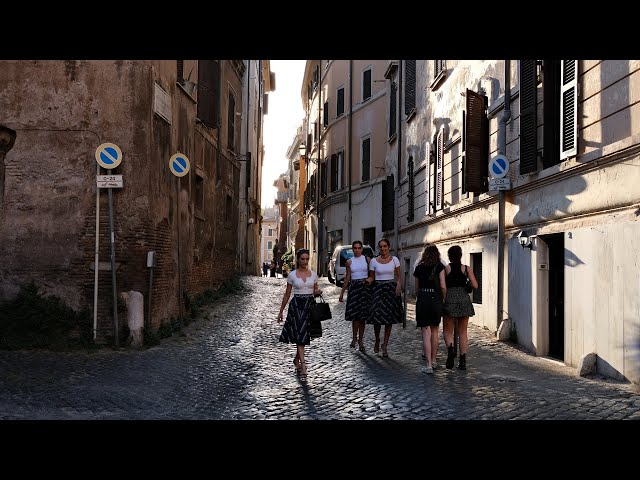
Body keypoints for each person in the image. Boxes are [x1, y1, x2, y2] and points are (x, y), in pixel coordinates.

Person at [277, 248, 322, 382]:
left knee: (304, 334)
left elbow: (315, 291)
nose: (305, 261)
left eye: (307, 259)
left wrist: (318, 291)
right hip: (296, 306)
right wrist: (281, 311)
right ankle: (303, 366)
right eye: (302, 259)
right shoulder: (292, 275)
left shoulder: (313, 275)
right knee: (300, 335)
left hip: (309, 306)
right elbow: (287, 294)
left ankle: (297, 359)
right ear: (298, 259)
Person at [365, 238, 403, 357]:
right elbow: (372, 277)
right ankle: (377, 340)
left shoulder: (395, 260)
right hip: (378, 289)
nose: (383, 248)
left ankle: (385, 345)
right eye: (381, 246)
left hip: (391, 290)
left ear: (389, 247)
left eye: (385, 246)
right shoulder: (374, 262)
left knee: (389, 319)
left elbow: (399, 277)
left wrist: (398, 286)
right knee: (377, 318)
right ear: (378, 248)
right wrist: (367, 281)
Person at [442, 245, 478, 370]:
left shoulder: (446, 268)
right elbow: (475, 285)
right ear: (461, 255)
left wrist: (444, 299)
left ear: (449, 256)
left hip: (450, 298)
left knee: (447, 331)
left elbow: (443, 287)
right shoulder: (467, 269)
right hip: (463, 298)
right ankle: (462, 361)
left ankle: (451, 349)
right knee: (463, 332)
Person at [413, 244, 446, 374]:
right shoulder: (440, 267)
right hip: (436, 299)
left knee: (425, 333)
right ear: (437, 254)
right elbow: (443, 286)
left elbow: (416, 288)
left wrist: (420, 297)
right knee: (435, 331)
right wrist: (443, 299)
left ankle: (428, 366)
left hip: (423, 298)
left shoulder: (419, 268)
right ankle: (433, 360)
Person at [338, 240, 371, 353]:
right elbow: (347, 278)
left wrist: (369, 283)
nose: (357, 250)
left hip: (365, 288)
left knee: (362, 317)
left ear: (361, 249)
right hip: (354, 288)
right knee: (355, 317)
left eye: (359, 248)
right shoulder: (349, 262)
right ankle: (354, 338)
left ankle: (361, 340)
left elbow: (372, 275)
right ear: (353, 249)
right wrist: (342, 293)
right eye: (355, 248)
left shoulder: (367, 260)